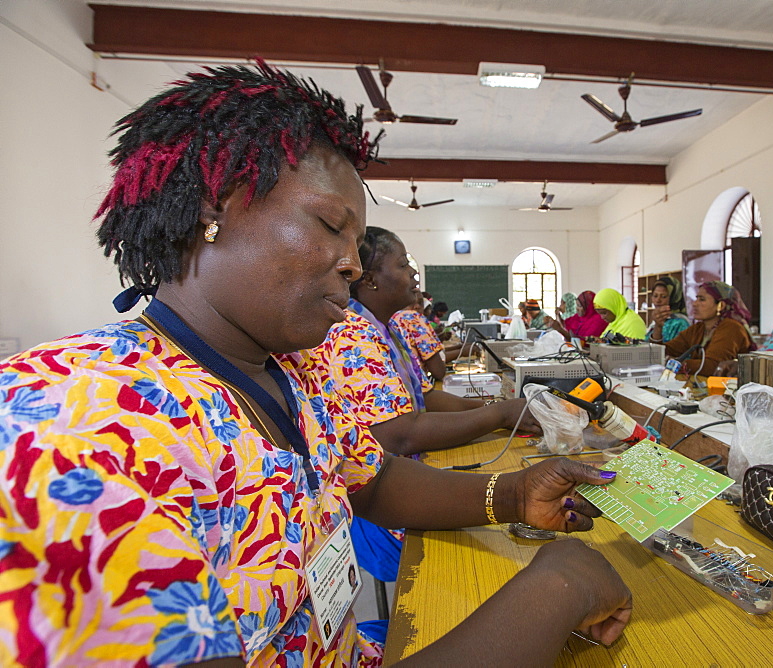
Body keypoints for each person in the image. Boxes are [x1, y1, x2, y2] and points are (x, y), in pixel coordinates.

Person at [0, 61, 631, 667]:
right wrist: (557, 591)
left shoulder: (279, 371)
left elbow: (371, 480)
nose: (354, 265)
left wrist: (515, 492)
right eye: (332, 226)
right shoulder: (69, 432)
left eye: (359, 245)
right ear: (214, 207)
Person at [316, 227, 540, 456]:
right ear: (371, 279)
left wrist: (503, 409)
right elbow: (400, 436)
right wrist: (501, 414)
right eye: (403, 264)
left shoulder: (386, 329)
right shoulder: (352, 334)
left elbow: (427, 396)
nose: (413, 272)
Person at [660, 281, 756, 376]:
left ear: (721, 305)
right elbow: (667, 350)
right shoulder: (699, 328)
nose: (695, 304)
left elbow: (712, 366)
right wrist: (658, 326)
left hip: (728, 388)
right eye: (696, 298)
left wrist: (673, 363)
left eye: (702, 299)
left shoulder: (732, 328)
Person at [390, 295, 451, 381]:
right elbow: (438, 372)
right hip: (415, 386)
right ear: (417, 306)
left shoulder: (391, 318)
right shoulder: (413, 318)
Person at [647, 277, 690, 344]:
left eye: (663, 296)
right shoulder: (658, 320)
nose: (658, 300)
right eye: (655, 296)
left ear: (674, 298)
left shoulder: (680, 323)